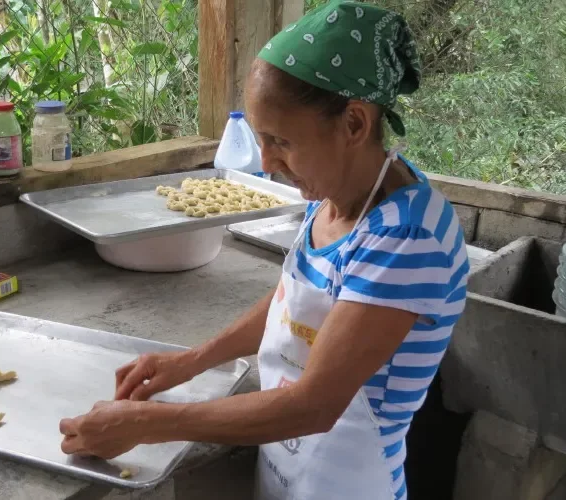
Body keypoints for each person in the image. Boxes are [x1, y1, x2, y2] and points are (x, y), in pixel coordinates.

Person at [59, 2, 469, 498]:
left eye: (281, 141)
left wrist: (147, 422)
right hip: (287, 470)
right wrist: (192, 359)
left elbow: (313, 406)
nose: (268, 161)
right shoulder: (333, 201)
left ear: (355, 124)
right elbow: (291, 306)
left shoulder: (406, 237)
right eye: (260, 139)